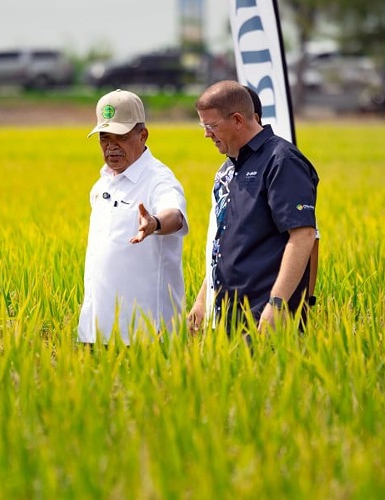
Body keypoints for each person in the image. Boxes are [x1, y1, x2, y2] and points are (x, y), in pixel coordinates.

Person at [187, 81, 319, 334]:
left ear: (237, 120)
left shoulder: (282, 161)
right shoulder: (229, 169)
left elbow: (303, 235)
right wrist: (204, 298)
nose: (206, 134)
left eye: (211, 126)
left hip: (264, 314)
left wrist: (277, 303)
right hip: (227, 313)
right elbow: (224, 241)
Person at [78, 89, 188, 345]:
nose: (110, 146)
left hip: (147, 335)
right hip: (97, 331)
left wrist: (155, 223)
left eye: (121, 137)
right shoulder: (102, 184)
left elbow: (175, 215)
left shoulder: (158, 179)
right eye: (104, 138)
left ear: (143, 135)